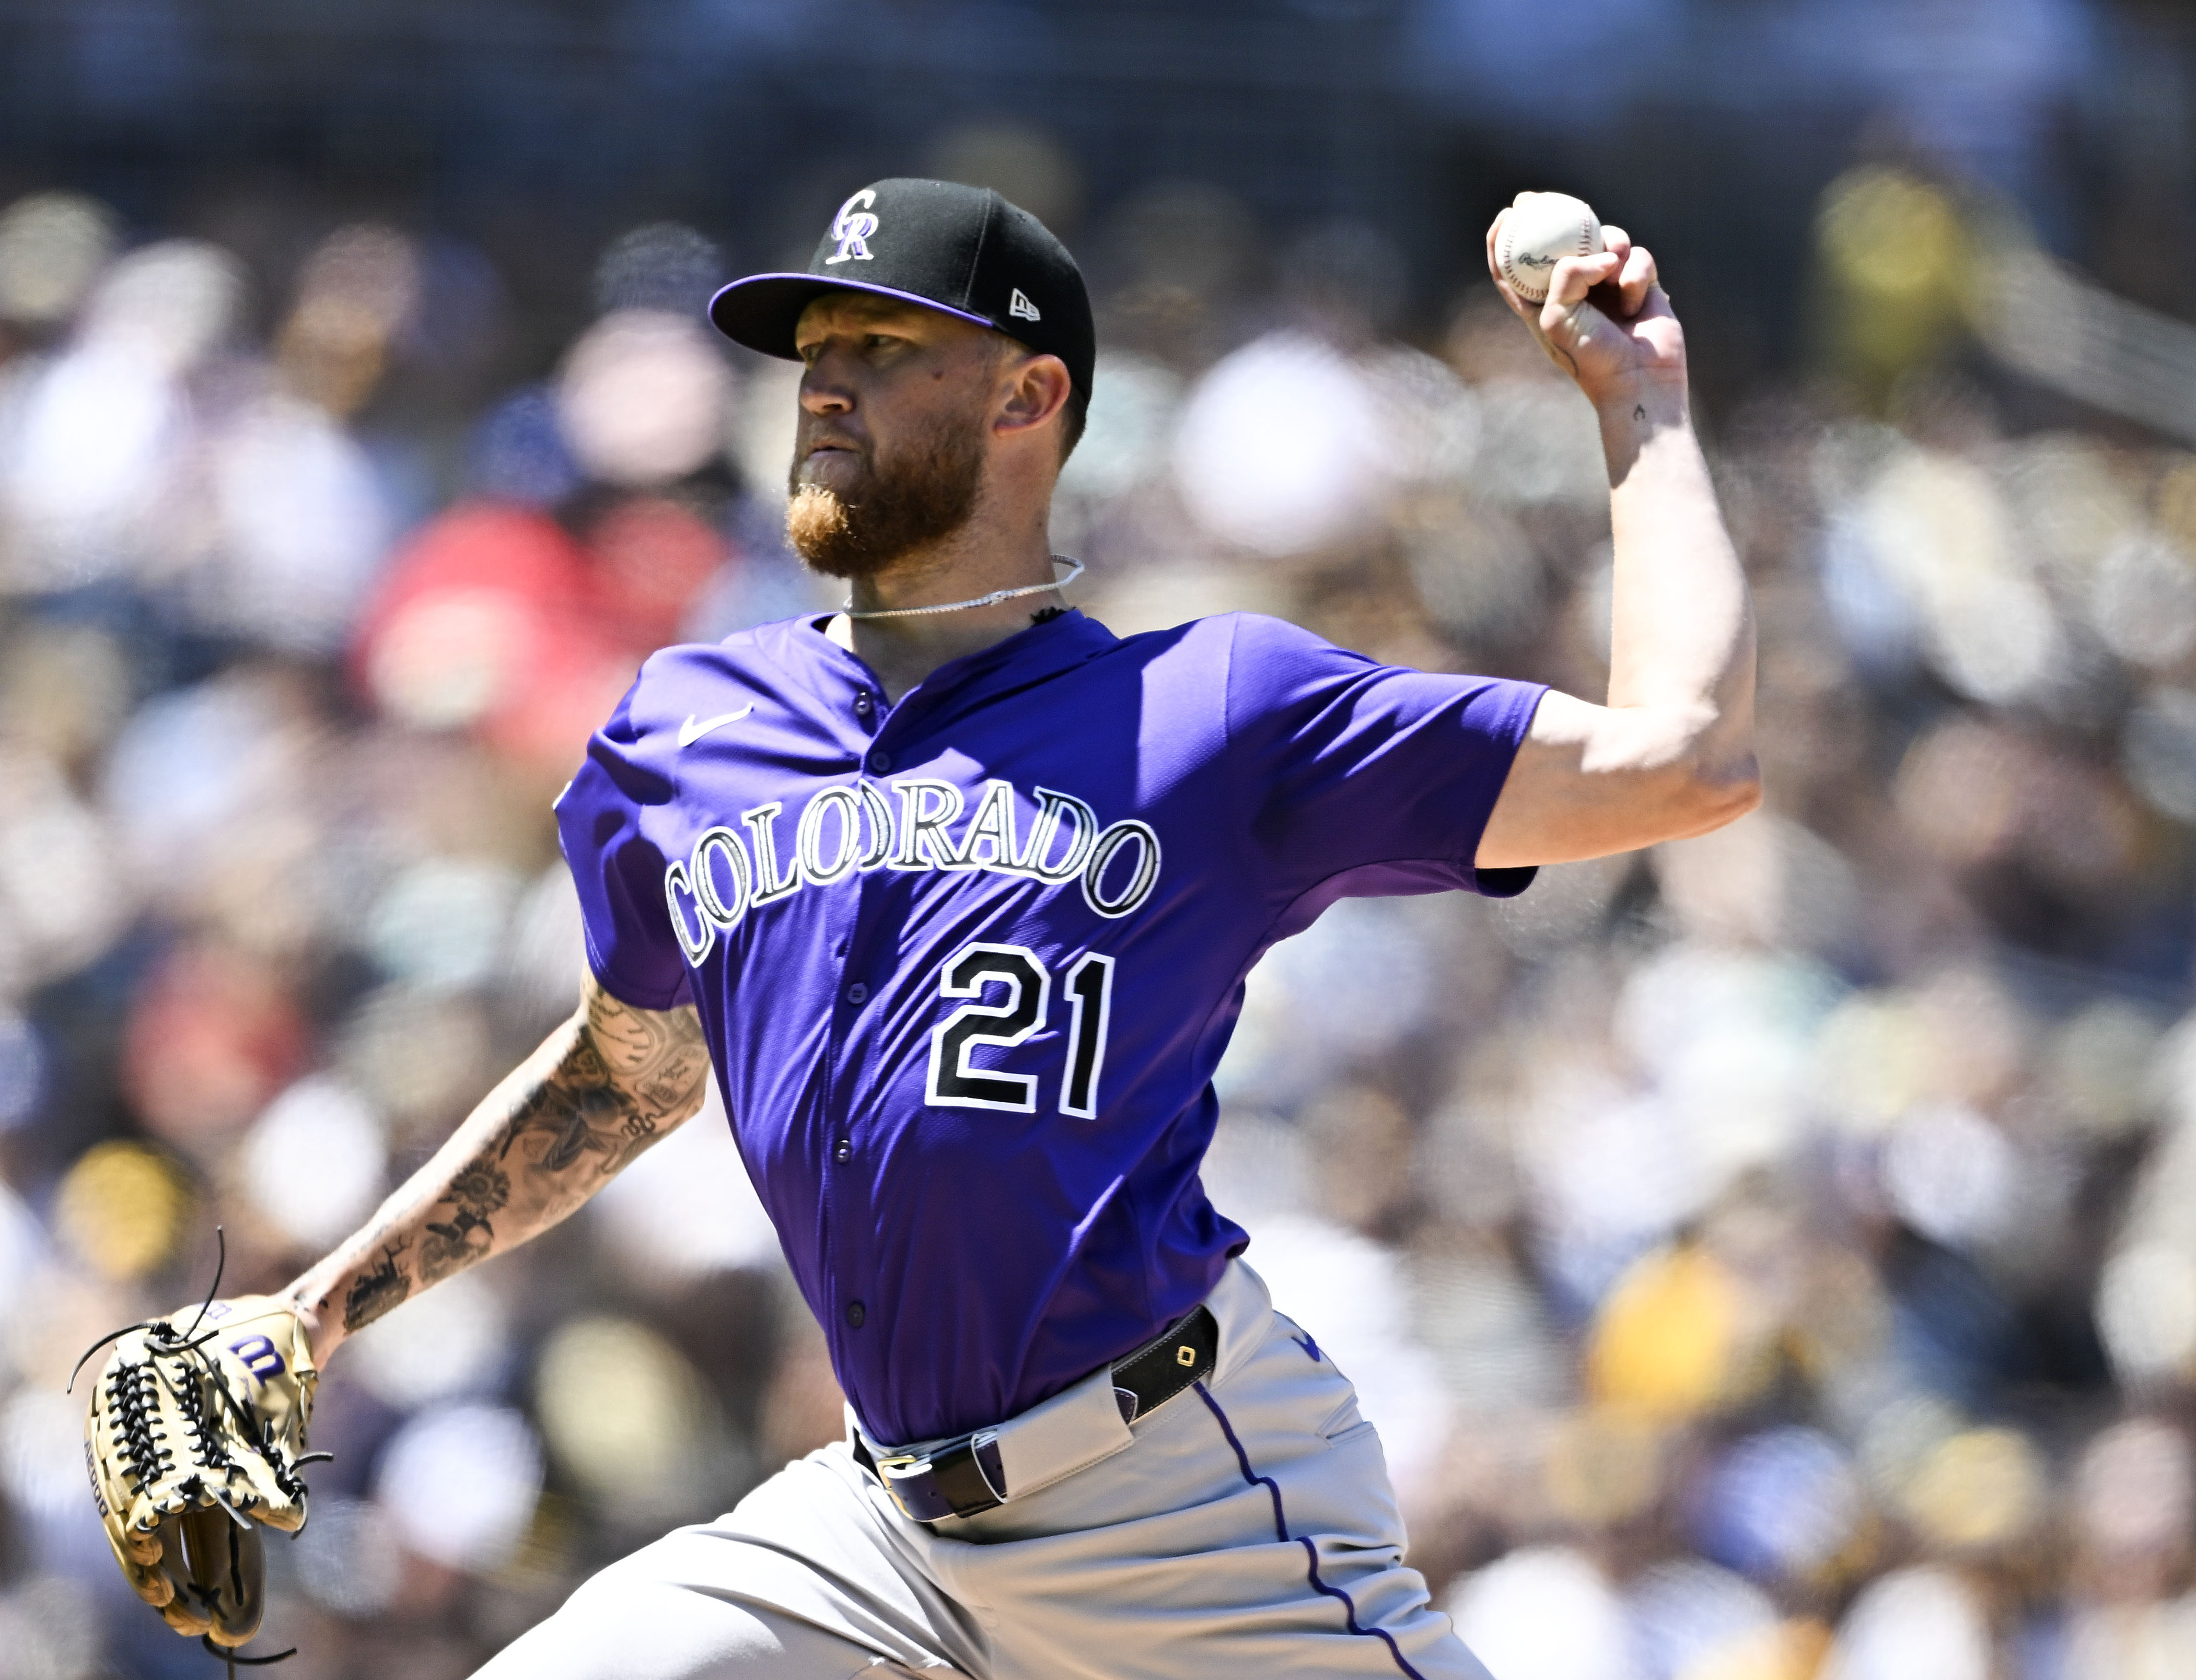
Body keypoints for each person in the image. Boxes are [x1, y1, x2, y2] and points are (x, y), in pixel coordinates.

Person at [257, 178, 1753, 1677]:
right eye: (815, 348)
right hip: (881, 1529)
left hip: (1174, 1506)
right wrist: (311, 1317)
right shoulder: (689, 729)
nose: (823, 383)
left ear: (1030, 396)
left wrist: (1643, 404)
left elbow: (1685, 761)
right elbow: (630, 1074)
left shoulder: (1212, 712)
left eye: (884, 347)